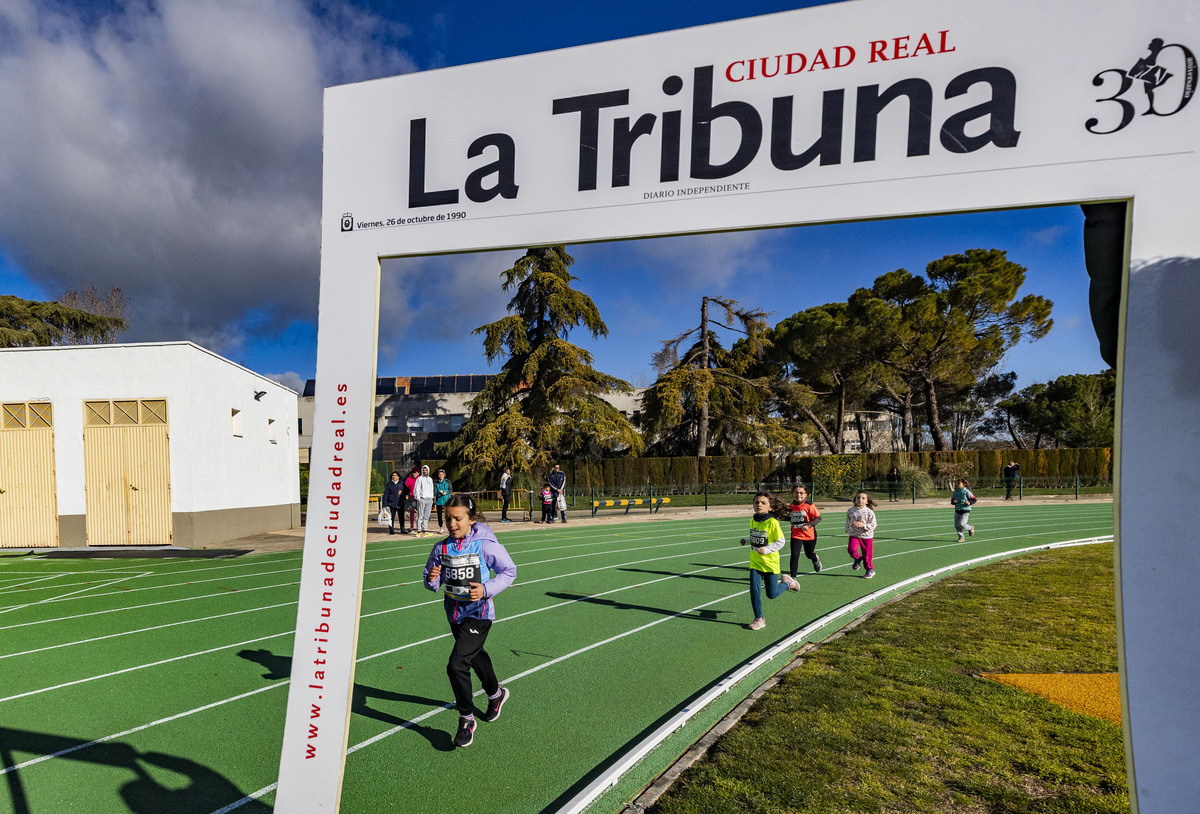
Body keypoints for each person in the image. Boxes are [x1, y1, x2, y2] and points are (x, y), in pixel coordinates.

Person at [422, 494, 517, 748]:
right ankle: (496, 695)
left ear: (471, 518)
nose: (452, 524)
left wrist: (485, 589)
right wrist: (433, 577)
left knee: (456, 665)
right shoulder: (441, 548)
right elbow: (430, 581)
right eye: (448, 518)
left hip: (480, 613)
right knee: (475, 656)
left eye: (458, 518)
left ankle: (466, 719)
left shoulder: (485, 544)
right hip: (455, 615)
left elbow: (509, 571)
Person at [741, 491, 800, 630]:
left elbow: (781, 542)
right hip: (755, 562)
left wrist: (766, 550)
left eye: (763, 503)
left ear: (771, 508)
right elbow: (759, 538)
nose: (759, 505)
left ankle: (787, 584)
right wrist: (748, 540)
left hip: (770, 563)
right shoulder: (753, 520)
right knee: (754, 589)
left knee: (771, 594)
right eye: (756, 502)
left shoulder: (773, 522)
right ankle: (759, 618)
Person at [787, 484, 823, 577]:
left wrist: (809, 525)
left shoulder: (809, 505)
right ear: (793, 494)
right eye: (796, 492)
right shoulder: (791, 506)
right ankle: (793, 577)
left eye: (801, 493)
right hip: (796, 535)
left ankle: (815, 559)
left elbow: (818, 518)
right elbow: (789, 518)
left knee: (809, 554)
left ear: (806, 494)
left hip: (809, 535)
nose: (798, 495)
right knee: (794, 555)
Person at [845, 490, 878, 579]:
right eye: (858, 498)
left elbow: (874, 524)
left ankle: (869, 570)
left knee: (867, 554)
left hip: (866, 536)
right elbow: (848, 520)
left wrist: (864, 525)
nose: (860, 500)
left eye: (863, 498)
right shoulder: (851, 511)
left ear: (867, 501)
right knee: (851, 549)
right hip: (854, 534)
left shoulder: (869, 512)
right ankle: (858, 558)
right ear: (855, 500)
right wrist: (847, 529)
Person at [414, 465, 435, 535]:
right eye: (423, 470)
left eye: (426, 470)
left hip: (429, 499)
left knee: (427, 515)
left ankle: (425, 528)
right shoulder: (419, 479)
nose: (425, 471)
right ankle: (419, 529)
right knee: (420, 515)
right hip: (422, 498)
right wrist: (418, 498)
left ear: (428, 471)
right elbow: (416, 489)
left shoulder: (430, 479)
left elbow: (432, 489)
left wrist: (432, 498)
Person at [404, 465, 420, 530]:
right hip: (411, 498)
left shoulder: (420, 479)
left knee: (420, 513)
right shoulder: (408, 479)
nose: (414, 474)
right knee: (412, 513)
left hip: (419, 498)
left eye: (416, 472)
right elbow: (405, 487)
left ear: (418, 473)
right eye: (413, 472)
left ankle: (420, 527)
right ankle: (412, 526)